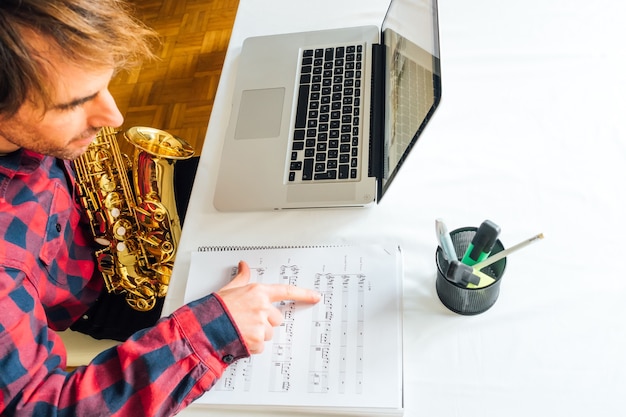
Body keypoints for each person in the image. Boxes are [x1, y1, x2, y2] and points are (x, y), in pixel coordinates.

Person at [0, 0, 321, 416]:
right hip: (114, 291)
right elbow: (46, 407)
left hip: (99, 214)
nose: (113, 116)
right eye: (73, 104)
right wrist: (215, 330)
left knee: (259, 184)